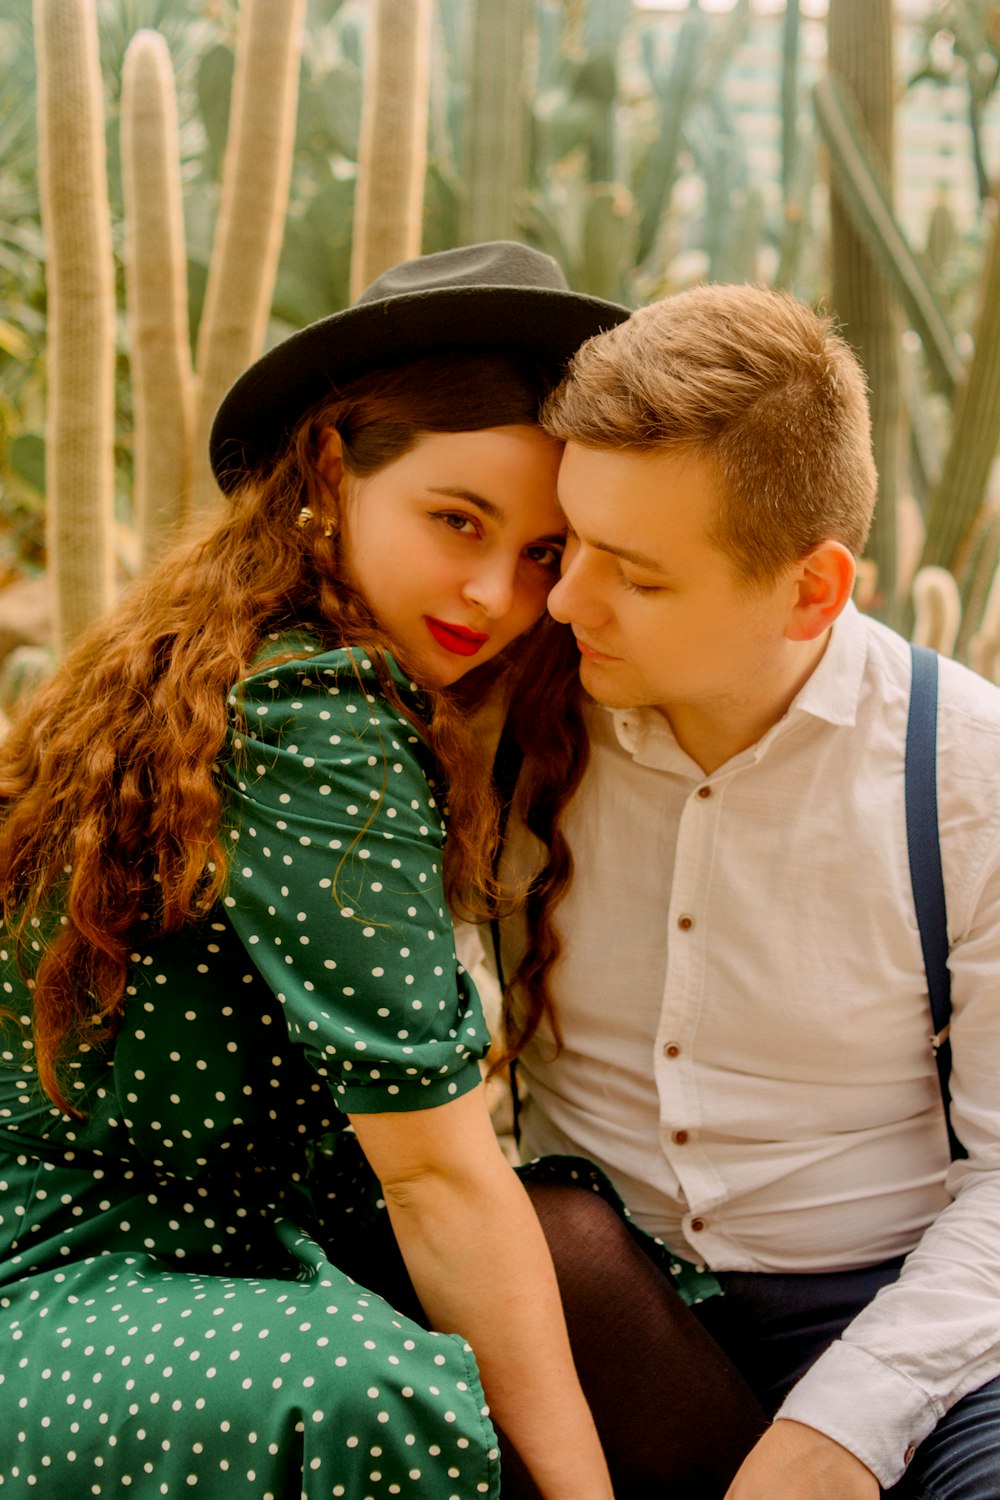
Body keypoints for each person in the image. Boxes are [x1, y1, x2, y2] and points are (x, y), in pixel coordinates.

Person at [0, 241, 635, 1500]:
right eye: (458, 519)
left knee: (581, 1258)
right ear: (333, 468)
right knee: (366, 1393)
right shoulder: (313, 704)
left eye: (543, 556)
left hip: (237, 1248)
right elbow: (435, 1172)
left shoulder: (273, 664)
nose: (490, 593)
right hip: (68, 1276)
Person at [492, 282, 1000, 1500]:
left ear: (812, 592)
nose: (563, 603)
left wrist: (834, 1437)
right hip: (607, 1307)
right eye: (569, 547)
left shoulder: (967, 772)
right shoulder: (508, 729)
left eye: (638, 577)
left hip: (912, 1322)